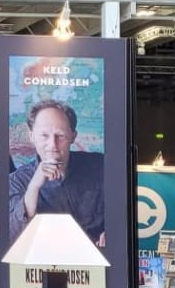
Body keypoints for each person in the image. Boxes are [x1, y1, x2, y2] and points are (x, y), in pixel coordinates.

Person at [6, 98, 107, 248]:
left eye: (60, 136)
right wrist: (33, 188)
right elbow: (11, 237)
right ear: (32, 136)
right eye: (44, 135)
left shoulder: (100, 165)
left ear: (73, 136)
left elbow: (122, 209)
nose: (52, 145)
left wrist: (113, 231)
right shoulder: (15, 181)